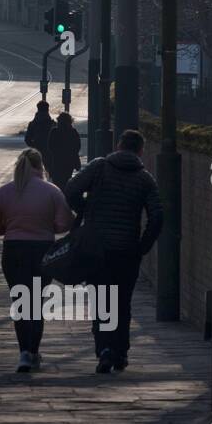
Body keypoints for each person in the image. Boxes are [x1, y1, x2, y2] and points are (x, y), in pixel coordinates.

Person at [64, 128, 163, 374]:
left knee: (101, 301)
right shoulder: (145, 179)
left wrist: (84, 209)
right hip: (127, 251)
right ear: (140, 150)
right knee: (122, 303)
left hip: (97, 249)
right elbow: (158, 215)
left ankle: (105, 350)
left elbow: (70, 189)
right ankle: (120, 352)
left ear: (119, 146)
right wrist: (143, 245)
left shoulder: (99, 167)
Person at [0, 149, 74, 371]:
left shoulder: (4, 192)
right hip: (42, 251)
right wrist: (48, 227)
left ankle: (24, 352)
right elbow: (65, 223)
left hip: (14, 251)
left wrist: (8, 228)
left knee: (21, 303)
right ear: (41, 166)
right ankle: (33, 352)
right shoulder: (52, 191)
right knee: (36, 303)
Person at [46, 111, 82, 190]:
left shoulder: (54, 132)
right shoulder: (73, 132)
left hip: (56, 161)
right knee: (67, 179)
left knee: (57, 182)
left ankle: (58, 197)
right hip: (69, 162)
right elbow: (77, 146)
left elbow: (50, 146)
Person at [24, 101, 55, 174]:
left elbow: (27, 139)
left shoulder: (33, 124)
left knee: (36, 174)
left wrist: (34, 147)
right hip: (49, 153)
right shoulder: (52, 124)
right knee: (51, 175)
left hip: (37, 153)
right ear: (47, 109)